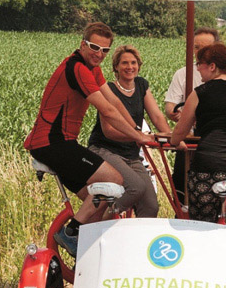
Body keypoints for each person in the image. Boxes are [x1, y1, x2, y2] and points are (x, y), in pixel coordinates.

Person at [24, 22, 156, 256]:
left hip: (61, 144)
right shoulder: (77, 68)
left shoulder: (92, 69)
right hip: (52, 143)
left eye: (105, 50)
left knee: (96, 207)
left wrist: (137, 131)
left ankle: (88, 262)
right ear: (83, 44)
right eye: (95, 47)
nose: (99, 54)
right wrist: (138, 136)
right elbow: (107, 110)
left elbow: (115, 102)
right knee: (113, 180)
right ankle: (71, 232)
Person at [170, 43, 226, 226]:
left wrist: (175, 141)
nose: (198, 69)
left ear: (212, 66)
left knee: (202, 215)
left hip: (212, 166)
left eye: (199, 64)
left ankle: (206, 243)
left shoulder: (200, 93)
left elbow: (179, 133)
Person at [86, 45, 171, 217]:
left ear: (139, 65)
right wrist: (139, 137)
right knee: (135, 188)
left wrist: (170, 137)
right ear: (116, 66)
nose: (129, 67)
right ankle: (102, 221)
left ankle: (138, 242)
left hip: (131, 154)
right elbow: (108, 131)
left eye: (133, 63)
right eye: (124, 63)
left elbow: (156, 116)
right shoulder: (108, 90)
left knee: (150, 206)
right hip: (107, 150)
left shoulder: (141, 85)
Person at [165, 27, 221, 205]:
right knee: (181, 188)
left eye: (206, 48)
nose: (201, 52)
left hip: (215, 144)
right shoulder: (183, 74)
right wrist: (179, 114)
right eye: (197, 47)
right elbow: (170, 106)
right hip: (188, 140)